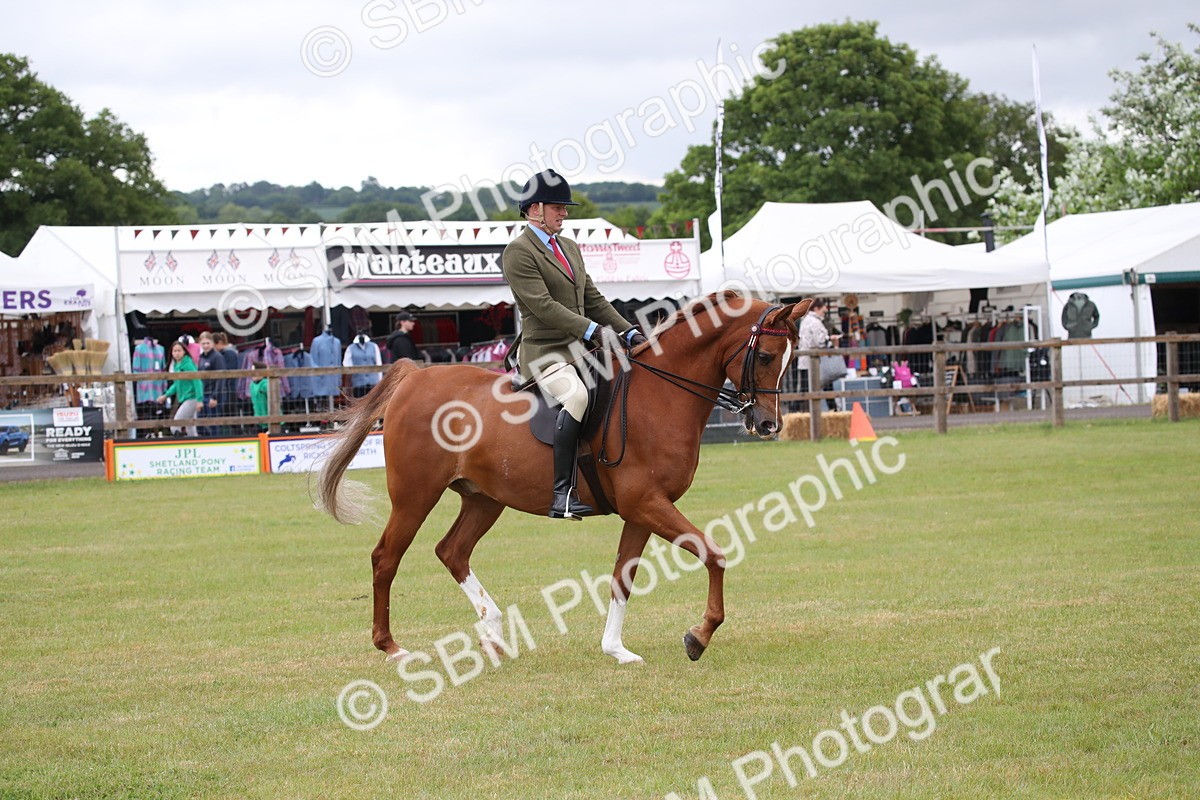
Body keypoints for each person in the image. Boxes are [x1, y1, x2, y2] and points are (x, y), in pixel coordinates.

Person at [501, 168, 647, 521]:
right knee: (577, 396)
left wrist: (629, 332)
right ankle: (562, 493)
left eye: (564, 208)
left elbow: (593, 298)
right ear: (536, 209)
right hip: (544, 355)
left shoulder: (568, 246)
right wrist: (593, 331)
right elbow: (545, 308)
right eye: (558, 208)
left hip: (581, 351)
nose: (564, 213)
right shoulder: (518, 252)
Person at [797, 298, 841, 411]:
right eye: (823, 311)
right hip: (816, 363)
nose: (824, 314)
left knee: (804, 390)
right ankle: (834, 411)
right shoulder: (815, 322)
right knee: (827, 386)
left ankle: (797, 412)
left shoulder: (805, 320)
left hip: (804, 361)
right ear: (816, 309)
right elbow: (821, 342)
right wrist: (832, 341)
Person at [155, 339, 203, 437]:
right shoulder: (177, 366)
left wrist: (199, 399)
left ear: (184, 351)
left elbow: (197, 381)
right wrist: (166, 395)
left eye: (179, 351)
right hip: (186, 398)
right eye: (174, 351)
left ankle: (179, 443)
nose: (177, 353)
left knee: (175, 425)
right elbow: (177, 384)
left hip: (191, 398)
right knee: (190, 427)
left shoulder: (187, 364)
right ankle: (194, 445)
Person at [196, 332, 225, 435]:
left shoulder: (217, 357)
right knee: (199, 423)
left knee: (214, 423)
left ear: (212, 343)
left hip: (213, 394)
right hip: (203, 393)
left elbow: (220, 378)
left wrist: (215, 396)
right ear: (199, 344)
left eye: (208, 343)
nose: (205, 346)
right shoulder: (201, 358)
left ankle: (216, 443)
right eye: (203, 343)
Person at [343, 331, 382, 398]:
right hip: (358, 384)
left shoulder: (374, 346)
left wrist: (380, 381)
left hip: (373, 383)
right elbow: (346, 365)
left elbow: (379, 364)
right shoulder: (350, 348)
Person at [249, 361, 270, 432]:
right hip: (258, 419)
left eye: (254, 372)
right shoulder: (252, 385)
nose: (252, 374)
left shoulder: (267, 384)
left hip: (269, 420)